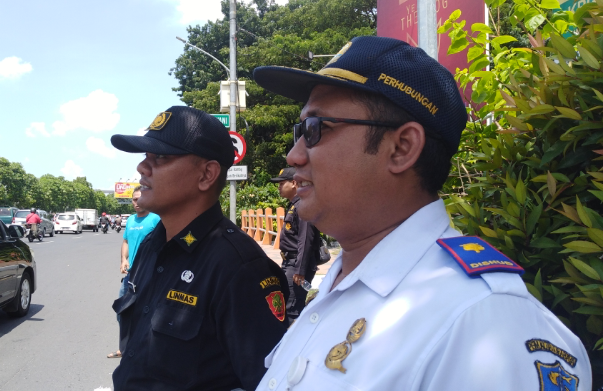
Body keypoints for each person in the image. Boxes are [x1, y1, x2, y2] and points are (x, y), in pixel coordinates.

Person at [251, 36, 592, 390]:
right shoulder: (341, 285)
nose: (293, 156)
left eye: (314, 129)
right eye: (299, 131)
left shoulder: (486, 323)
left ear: (401, 148)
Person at [109, 105, 289, 391]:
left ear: (207, 175)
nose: (142, 167)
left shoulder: (239, 268)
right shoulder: (153, 244)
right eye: (145, 157)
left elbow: (267, 383)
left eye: (161, 157)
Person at [107, 185, 160, 359]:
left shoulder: (156, 219)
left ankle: (147, 349)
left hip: (150, 274)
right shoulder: (130, 220)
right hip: (131, 275)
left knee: (148, 312)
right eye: (133, 199)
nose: (136, 203)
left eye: (139, 199)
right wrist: (124, 259)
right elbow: (126, 242)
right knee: (123, 310)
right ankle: (124, 348)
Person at [270, 167, 320, 320]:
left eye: (281, 183)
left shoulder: (303, 206)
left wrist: (300, 270)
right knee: (287, 306)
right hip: (289, 263)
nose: (278, 187)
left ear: (293, 183)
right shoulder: (294, 205)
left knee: (291, 310)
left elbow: (305, 240)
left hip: (296, 266)